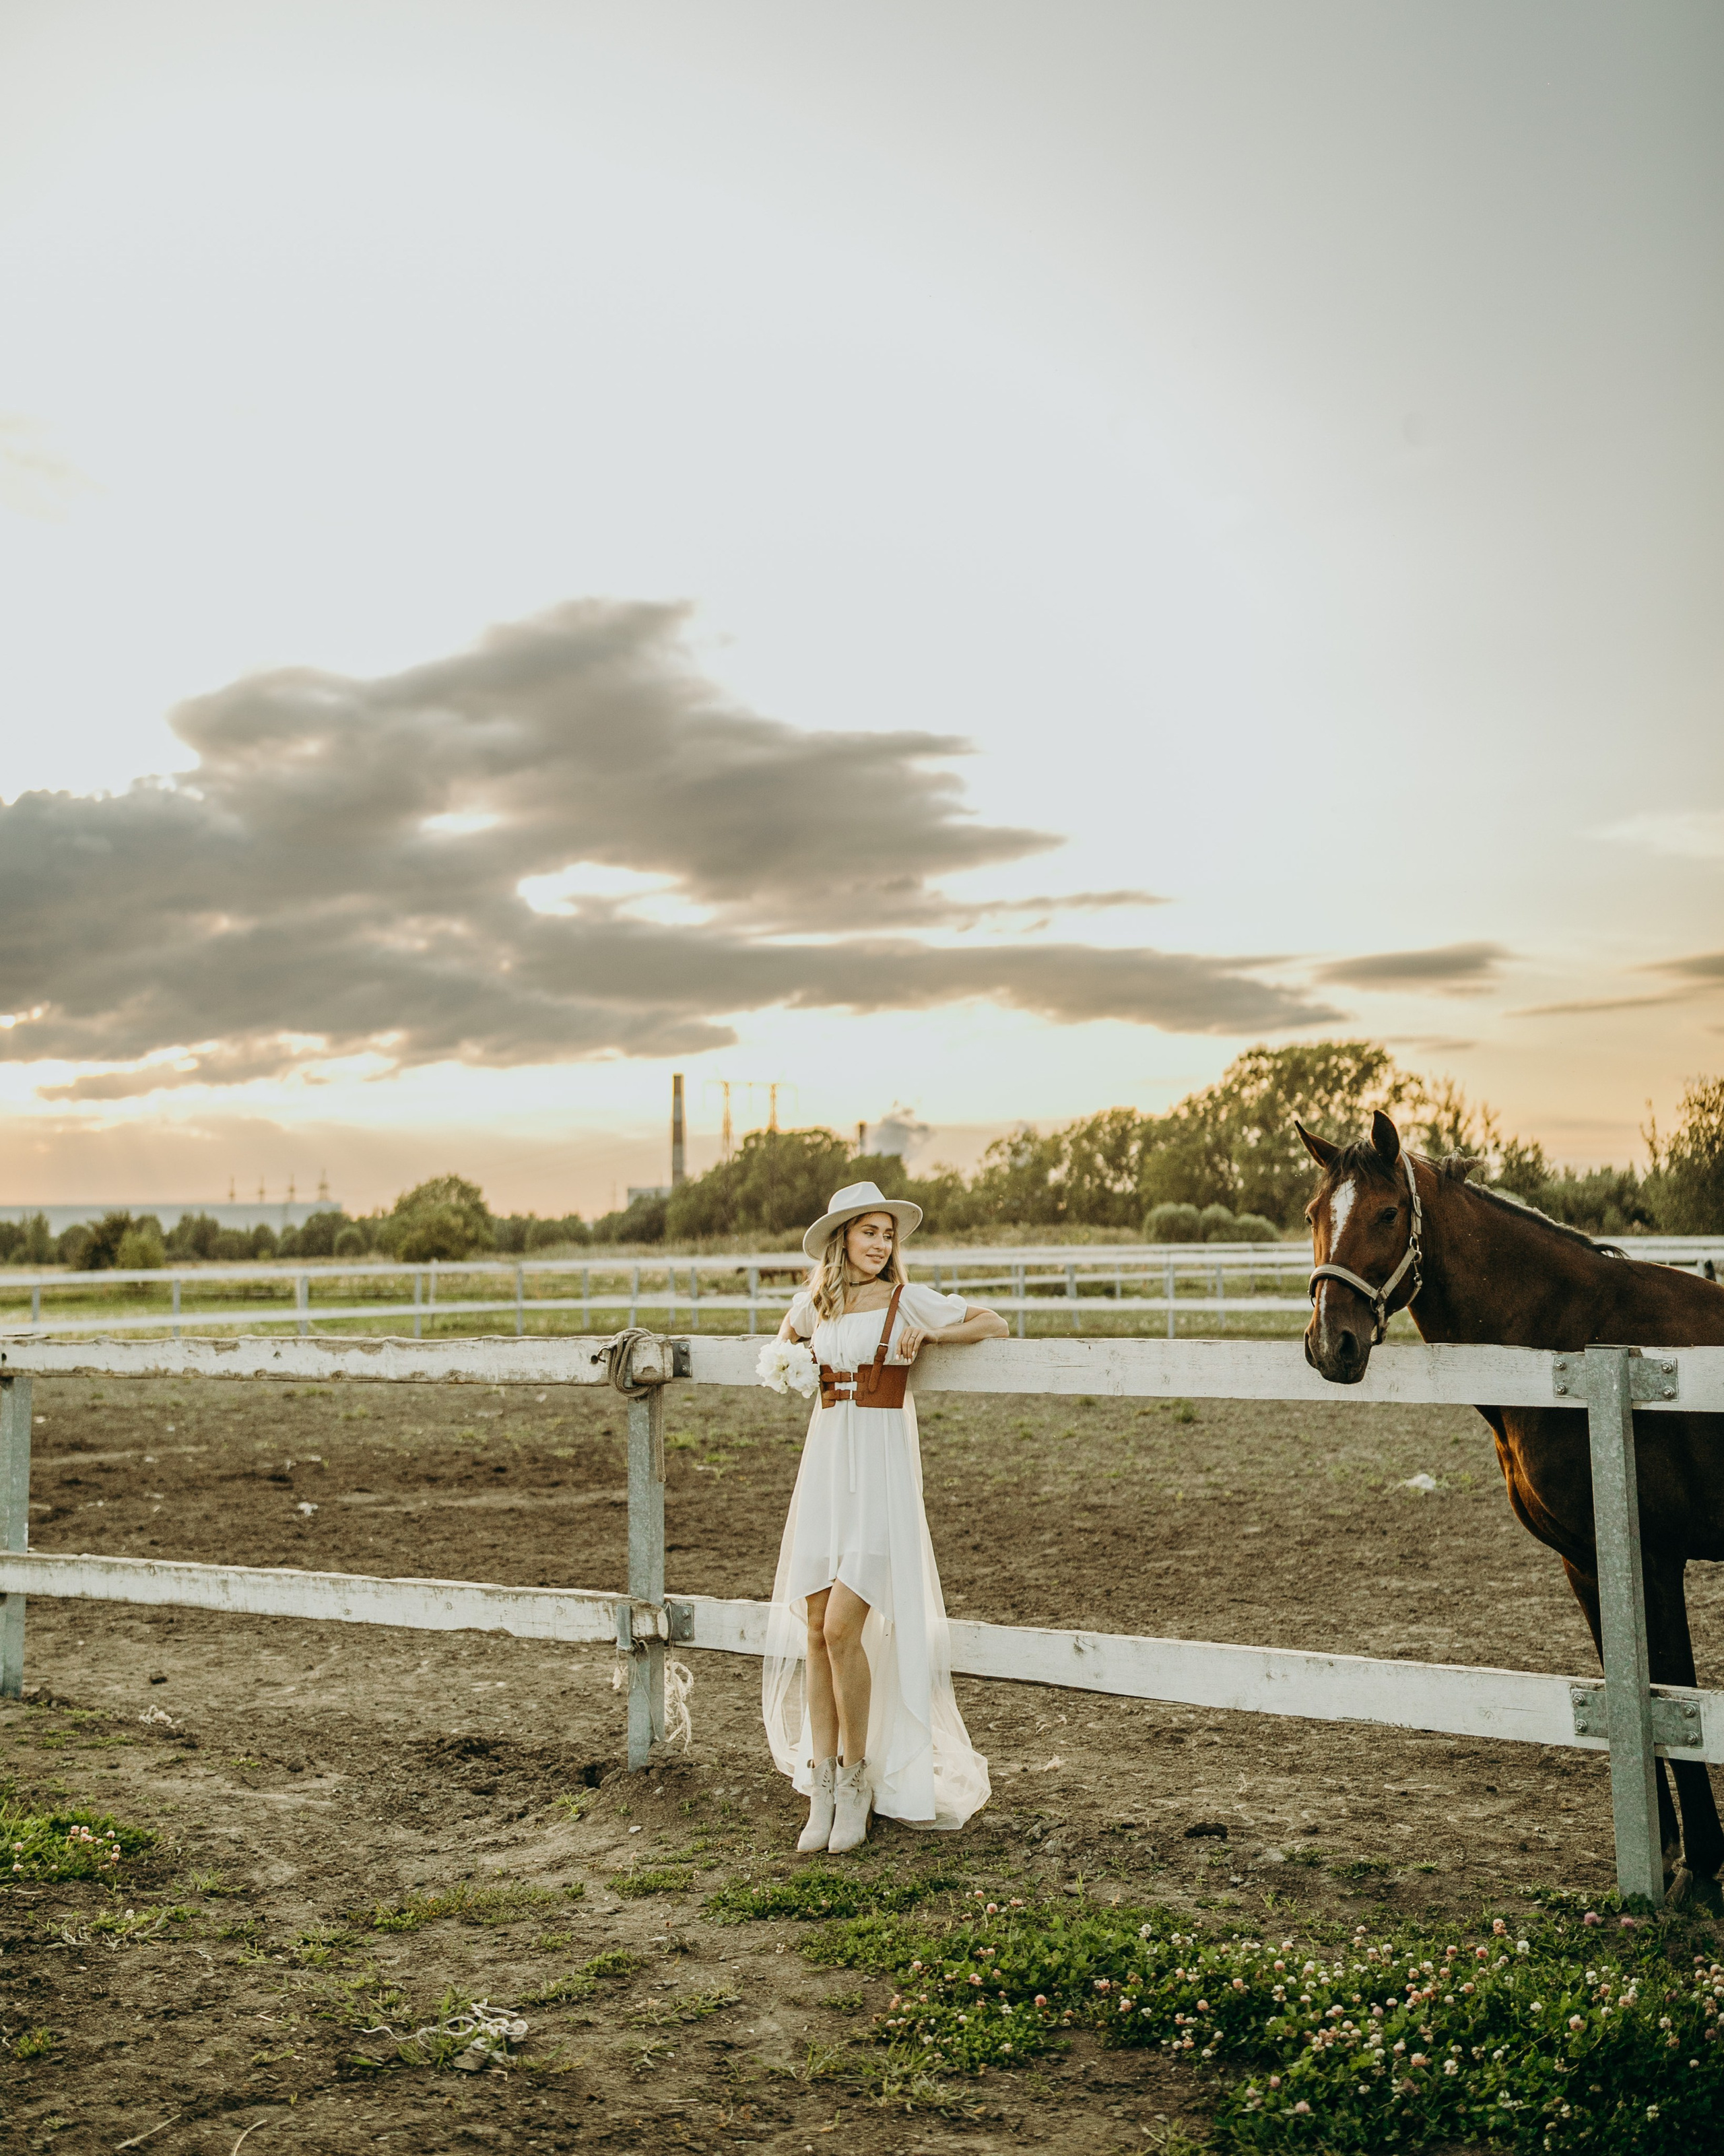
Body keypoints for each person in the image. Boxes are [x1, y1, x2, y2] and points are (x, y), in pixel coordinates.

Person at [761, 1179, 1008, 1854]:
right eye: (869, 1232)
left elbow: (993, 1321)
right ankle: (823, 1787)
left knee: (844, 1626)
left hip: (879, 1468)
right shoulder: (819, 1303)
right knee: (814, 1627)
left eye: (888, 1234)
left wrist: (934, 1334)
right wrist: (788, 1353)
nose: (880, 1244)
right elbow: (784, 1341)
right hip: (825, 1465)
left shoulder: (905, 1299)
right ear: (842, 1238)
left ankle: (859, 1778)